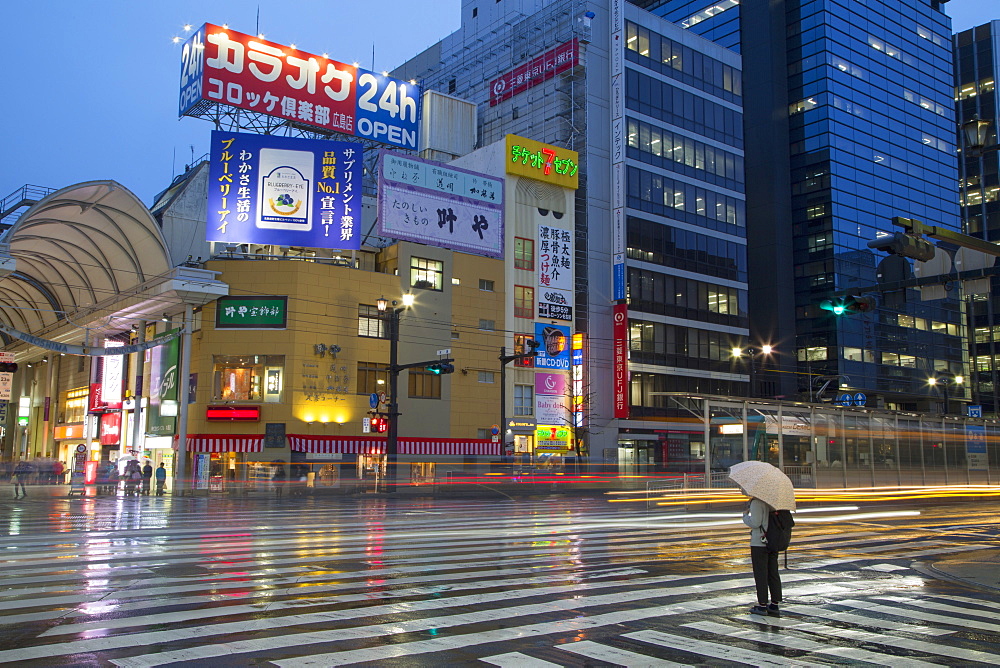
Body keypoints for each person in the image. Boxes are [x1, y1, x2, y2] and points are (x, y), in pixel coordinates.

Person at [742, 494, 781, 615]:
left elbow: (755, 523)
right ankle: (774, 604)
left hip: (760, 543)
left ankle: (762, 604)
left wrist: (745, 516)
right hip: (773, 541)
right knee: (773, 572)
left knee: (761, 573)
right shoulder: (773, 500)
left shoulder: (757, 502)